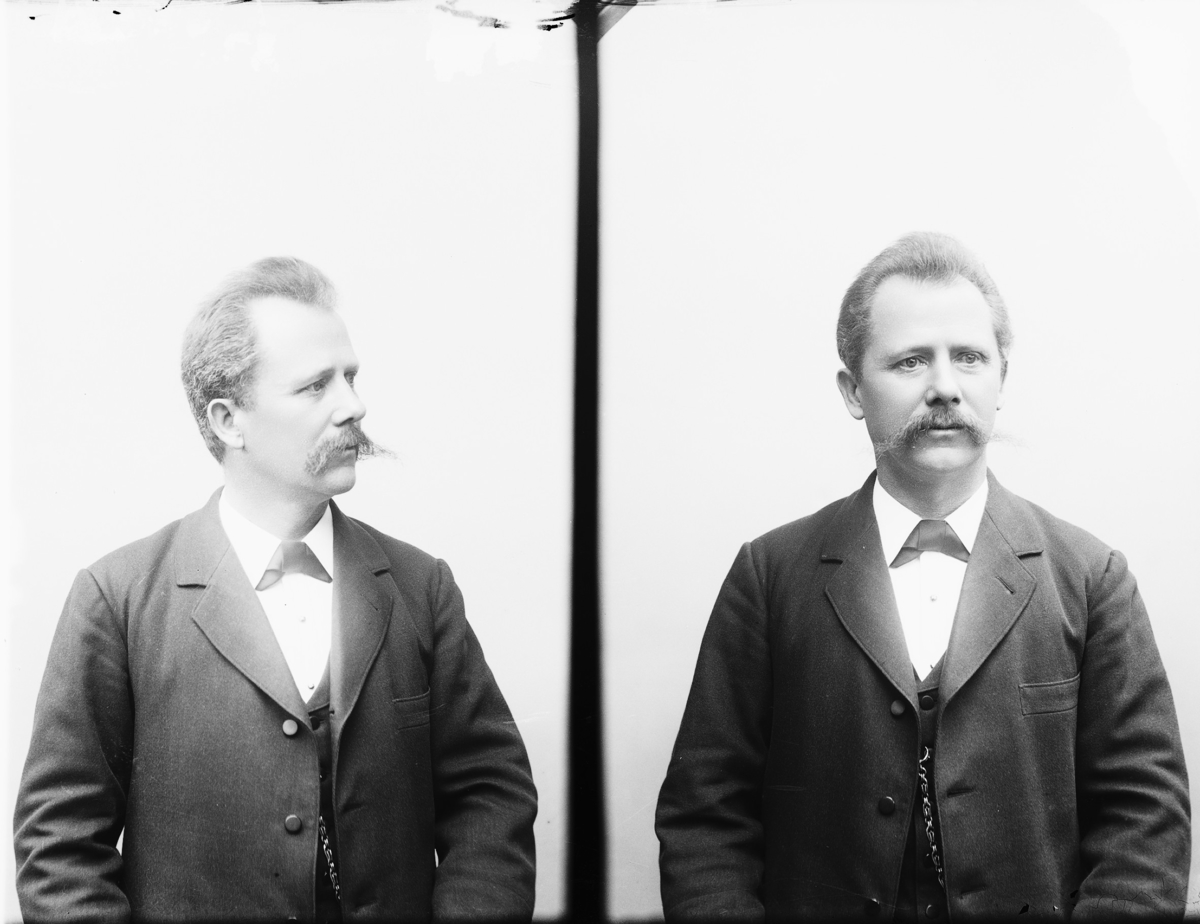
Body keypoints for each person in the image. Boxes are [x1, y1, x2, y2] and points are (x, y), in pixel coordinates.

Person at [655, 233, 1191, 920]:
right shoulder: (770, 577)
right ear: (854, 391)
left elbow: (1145, 826)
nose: (944, 387)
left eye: (969, 357)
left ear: (1002, 379)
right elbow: (706, 820)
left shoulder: (1091, 579)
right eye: (909, 361)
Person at [14, 257, 538, 922]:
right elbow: (59, 849)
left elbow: (490, 798)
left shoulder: (419, 586)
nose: (353, 405)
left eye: (351, 377)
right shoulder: (118, 601)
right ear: (228, 421)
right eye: (316, 386)